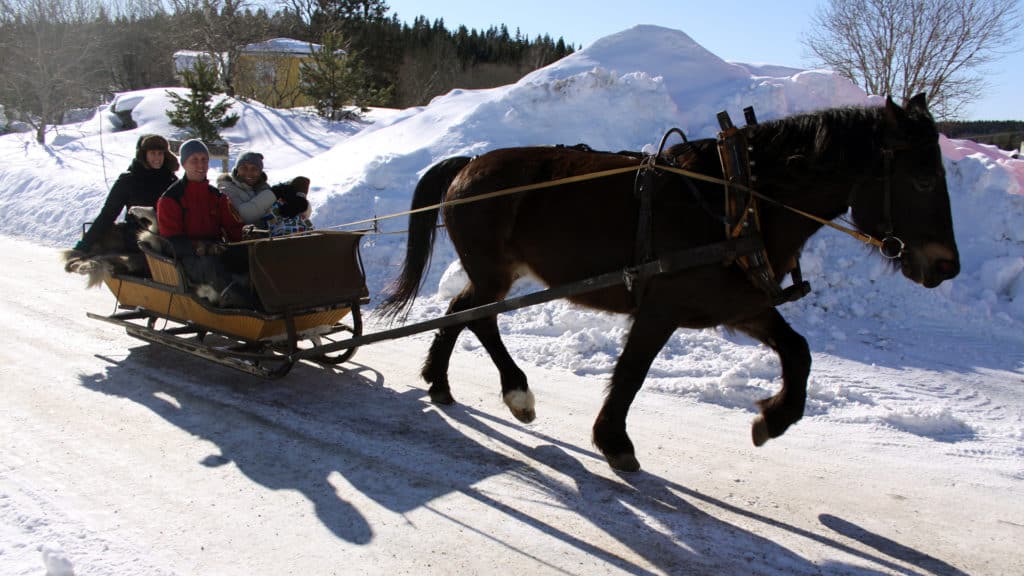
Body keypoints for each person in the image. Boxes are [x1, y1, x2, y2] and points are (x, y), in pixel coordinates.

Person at [157, 139, 250, 307]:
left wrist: (249, 239)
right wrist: (198, 246)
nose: (200, 165)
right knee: (212, 266)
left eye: (204, 160)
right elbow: (170, 241)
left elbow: (233, 227)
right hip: (187, 258)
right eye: (194, 160)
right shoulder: (171, 199)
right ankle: (239, 308)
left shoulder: (217, 197)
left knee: (249, 260)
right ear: (184, 164)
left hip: (216, 250)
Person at [73, 134, 179, 252]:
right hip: (136, 239)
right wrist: (86, 243)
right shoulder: (129, 180)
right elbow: (108, 214)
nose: (157, 158)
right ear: (143, 155)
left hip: (167, 237)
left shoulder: (171, 180)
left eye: (160, 153)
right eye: (152, 153)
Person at [217, 151, 277, 225]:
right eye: (243, 168)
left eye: (254, 168)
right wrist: (273, 194)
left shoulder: (264, 189)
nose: (249, 173)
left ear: (260, 172)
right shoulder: (226, 189)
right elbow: (244, 216)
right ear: (237, 170)